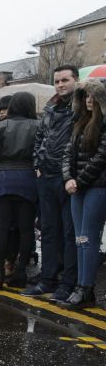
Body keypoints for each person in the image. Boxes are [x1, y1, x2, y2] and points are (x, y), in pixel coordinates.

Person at [24, 65, 79, 301]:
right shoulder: (50, 107)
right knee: (48, 232)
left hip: (68, 178)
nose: (60, 84)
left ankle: (67, 283)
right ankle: (47, 279)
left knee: (69, 233)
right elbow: (39, 138)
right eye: (57, 81)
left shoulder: (82, 107)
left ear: (76, 80)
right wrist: (37, 164)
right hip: (46, 177)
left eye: (65, 80)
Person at [0, 92, 39, 288]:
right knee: (25, 228)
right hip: (28, 176)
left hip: (4, 177)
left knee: (2, 228)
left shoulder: (0, 125)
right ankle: (20, 272)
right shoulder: (37, 125)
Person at [61, 79, 106, 308]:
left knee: (88, 238)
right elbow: (67, 153)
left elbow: (101, 157)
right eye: (86, 96)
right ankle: (81, 287)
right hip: (78, 188)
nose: (89, 100)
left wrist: (77, 181)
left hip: (98, 188)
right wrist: (68, 178)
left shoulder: (104, 123)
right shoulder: (79, 122)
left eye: (94, 96)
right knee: (80, 239)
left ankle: (86, 287)